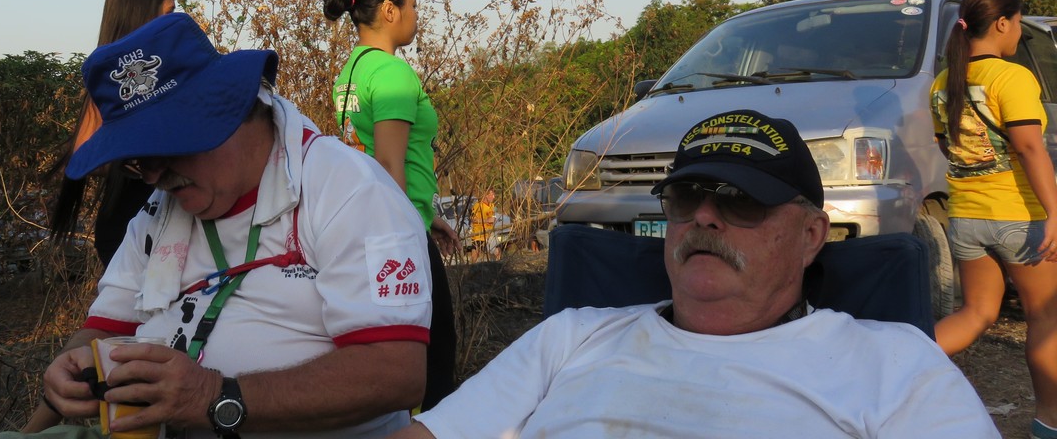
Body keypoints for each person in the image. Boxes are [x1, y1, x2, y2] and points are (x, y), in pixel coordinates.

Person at [389, 109, 1000, 438]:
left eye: (742, 201)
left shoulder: (894, 362)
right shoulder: (572, 337)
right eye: (686, 198)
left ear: (812, 236)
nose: (705, 216)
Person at [7, 12, 432, 439]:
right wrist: (72, 365)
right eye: (137, 161)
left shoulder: (348, 190)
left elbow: (395, 372)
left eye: (164, 149)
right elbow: (107, 327)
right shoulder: (161, 211)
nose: (154, 176)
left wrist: (214, 397)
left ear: (230, 109)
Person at [322, 0, 459, 408]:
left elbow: (364, 159)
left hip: (368, 230)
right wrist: (412, 228)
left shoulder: (351, 72)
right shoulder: (393, 74)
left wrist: (429, 214)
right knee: (434, 368)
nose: (417, 14)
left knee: (392, 357)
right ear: (390, 10)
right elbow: (386, 164)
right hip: (398, 238)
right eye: (414, 4)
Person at [930, 0, 1057, 439]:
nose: (1019, 32)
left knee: (977, 314)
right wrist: (1055, 212)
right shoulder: (1012, 77)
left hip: (966, 218)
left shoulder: (944, 81)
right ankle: (1050, 422)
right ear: (1002, 23)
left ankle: (892, 368)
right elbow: (1029, 147)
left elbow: (948, 147)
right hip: (1018, 217)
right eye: (1019, 23)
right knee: (1046, 317)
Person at [49, 0, 176, 267]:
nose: (175, 22)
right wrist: (139, 158)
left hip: (170, 224)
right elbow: (82, 157)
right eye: (169, 12)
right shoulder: (111, 80)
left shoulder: (171, 70)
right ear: (142, 14)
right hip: (129, 228)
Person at [467, 190, 500, 261]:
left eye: (494, 195)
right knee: (475, 255)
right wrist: (486, 220)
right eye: (492, 195)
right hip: (479, 235)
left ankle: (496, 266)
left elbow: (493, 218)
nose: (493, 197)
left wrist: (492, 219)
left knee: (497, 252)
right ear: (486, 195)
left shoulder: (492, 205)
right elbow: (473, 219)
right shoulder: (478, 206)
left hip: (489, 234)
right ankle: (469, 266)